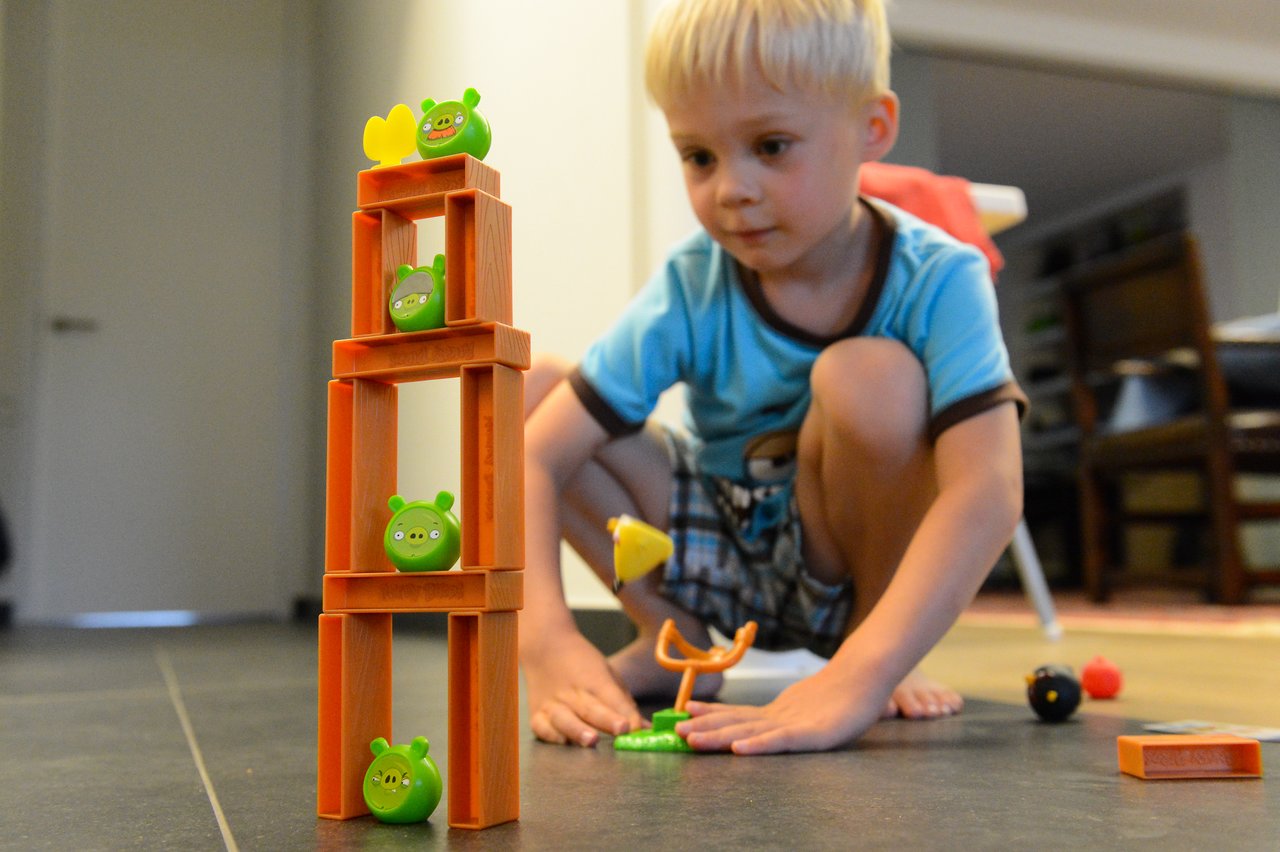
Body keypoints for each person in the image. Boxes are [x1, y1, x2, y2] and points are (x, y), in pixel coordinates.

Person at [519, 0, 1025, 755]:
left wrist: (863, 671)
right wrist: (545, 641)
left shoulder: (941, 277)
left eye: (771, 145)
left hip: (841, 572)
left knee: (870, 378)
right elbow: (531, 454)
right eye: (699, 156)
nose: (731, 189)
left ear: (872, 129)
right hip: (720, 544)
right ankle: (674, 637)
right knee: (531, 391)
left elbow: (987, 490)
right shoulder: (693, 283)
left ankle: (870, 650)